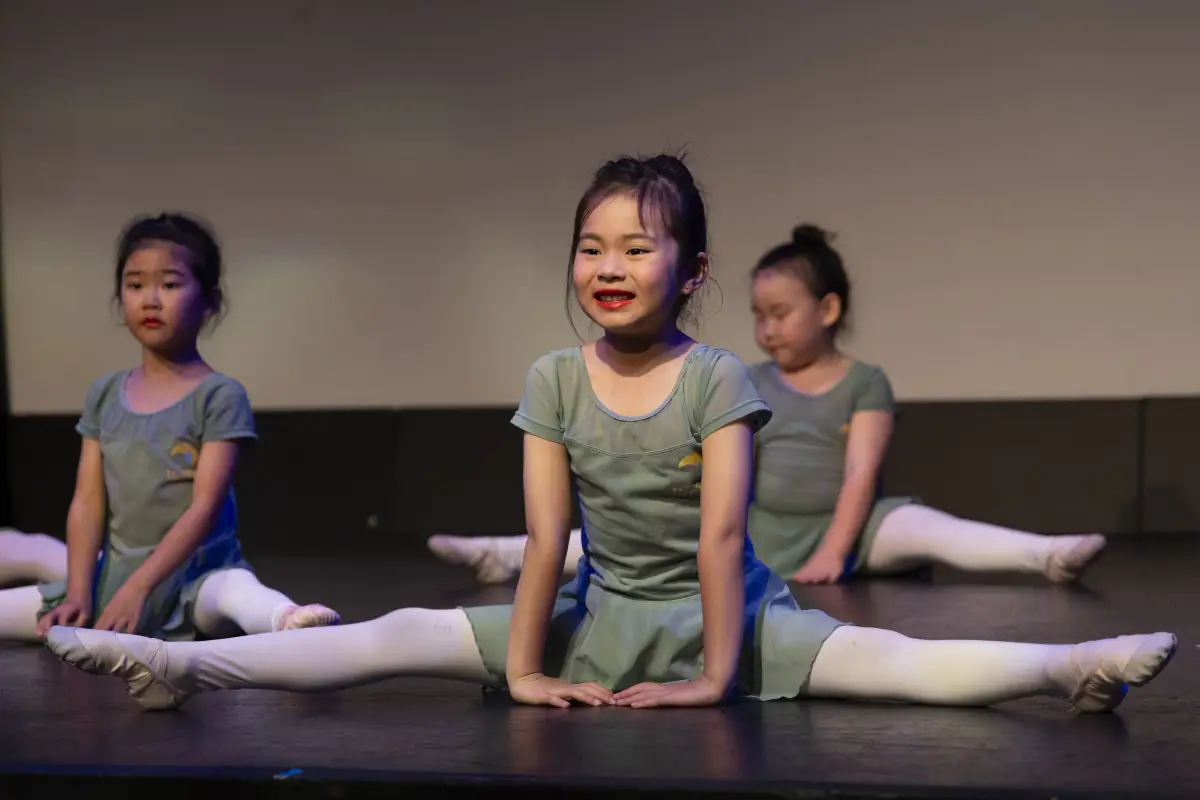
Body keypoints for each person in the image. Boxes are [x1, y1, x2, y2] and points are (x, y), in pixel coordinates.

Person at [45, 157, 1174, 714]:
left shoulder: (721, 375)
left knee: (897, 667)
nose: (612, 267)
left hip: (721, 609)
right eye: (594, 245)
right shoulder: (552, 375)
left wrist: (717, 675)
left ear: (691, 270)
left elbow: (726, 534)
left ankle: (1070, 664)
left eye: (640, 247)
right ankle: (177, 658)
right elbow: (549, 541)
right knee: (398, 633)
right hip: (602, 609)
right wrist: (529, 668)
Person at [428, 225, 1107, 586]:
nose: (768, 329)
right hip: (758, 527)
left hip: (853, 526)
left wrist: (836, 553)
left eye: (781, 314)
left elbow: (860, 475)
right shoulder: (743, 378)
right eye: (759, 316)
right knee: (627, 540)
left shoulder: (864, 381)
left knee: (931, 528)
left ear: (828, 310)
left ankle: (1045, 554)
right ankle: (500, 554)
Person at [0, 213, 339, 644]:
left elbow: (204, 508)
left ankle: (286, 620)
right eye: (135, 284)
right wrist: (82, 591)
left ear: (210, 301)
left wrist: (141, 588)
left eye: (171, 284)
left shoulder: (219, 395)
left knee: (232, 592)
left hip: (196, 574)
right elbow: (86, 503)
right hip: (113, 578)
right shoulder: (104, 393)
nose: (150, 299)